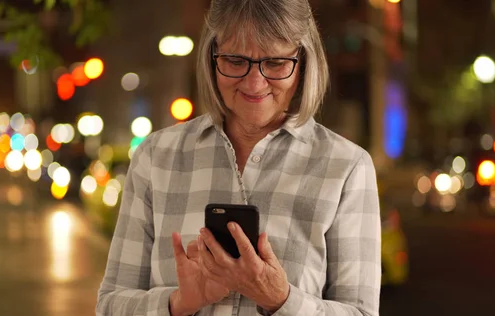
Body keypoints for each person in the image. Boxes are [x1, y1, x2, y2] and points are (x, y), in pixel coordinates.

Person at [96, 0, 381, 315]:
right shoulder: (156, 158)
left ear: (303, 61)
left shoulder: (347, 167)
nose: (255, 83)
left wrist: (281, 300)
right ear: (211, 56)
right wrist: (179, 303)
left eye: (275, 63)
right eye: (235, 60)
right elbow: (110, 304)